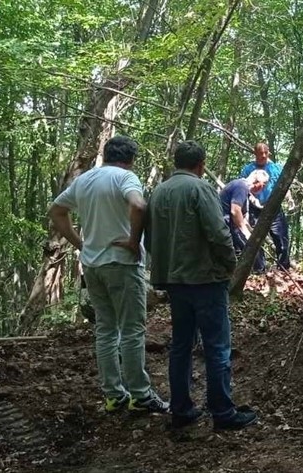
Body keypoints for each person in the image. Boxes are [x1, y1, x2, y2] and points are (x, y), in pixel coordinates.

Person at [47, 136, 168, 414]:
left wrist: (80, 244)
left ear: (106, 154)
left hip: (92, 265)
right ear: (131, 159)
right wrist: (132, 240)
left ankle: (114, 395)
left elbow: (56, 211)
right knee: (132, 329)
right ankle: (140, 395)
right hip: (122, 264)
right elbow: (138, 205)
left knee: (105, 329)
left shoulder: (85, 180)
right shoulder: (125, 178)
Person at [146, 140, 257, 431]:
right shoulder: (200, 189)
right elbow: (218, 233)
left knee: (181, 345)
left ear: (176, 162)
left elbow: (149, 238)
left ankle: (181, 408)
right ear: (201, 165)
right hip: (205, 279)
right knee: (217, 346)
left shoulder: (158, 192)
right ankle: (222, 411)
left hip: (173, 281)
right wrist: (230, 265)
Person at [239, 143, 291, 272]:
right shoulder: (248, 169)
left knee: (281, 238)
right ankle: (259, 270)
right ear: (255, 154)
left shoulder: (276, 168)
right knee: (255, 240)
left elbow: (285, 184)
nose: (263, 156)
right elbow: (242, 187)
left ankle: (283, 269)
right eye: (260, 153)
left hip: (274, 208)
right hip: (254, 209)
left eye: (265, 153)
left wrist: (289, 199)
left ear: (268, 153)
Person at [220, 170, 269, 260]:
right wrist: (245, 232)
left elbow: (242, 217)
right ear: (256, 181)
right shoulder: (241, 186)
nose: (263, 188)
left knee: (256, 253)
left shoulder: (244, 190)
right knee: (253, 256)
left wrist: (250, 231)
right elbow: (235, 211)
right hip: (225, 227)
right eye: (264, 184)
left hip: (229, 227)